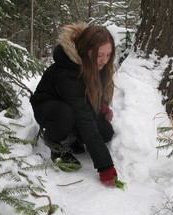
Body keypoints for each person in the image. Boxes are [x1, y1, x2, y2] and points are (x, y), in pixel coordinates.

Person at [30, 23, 118, 186]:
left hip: (74, 105)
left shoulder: (97, 64)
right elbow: (83, 117)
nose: (104, 60)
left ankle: (71, 136)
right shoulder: (67, 73)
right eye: (100, 55)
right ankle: (57, 147)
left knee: (105, 133)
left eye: (108, 55)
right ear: (86, 50)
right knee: (66, 114)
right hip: (50, 110)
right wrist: (105, 166)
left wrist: (102, 105)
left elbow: (93, 93)